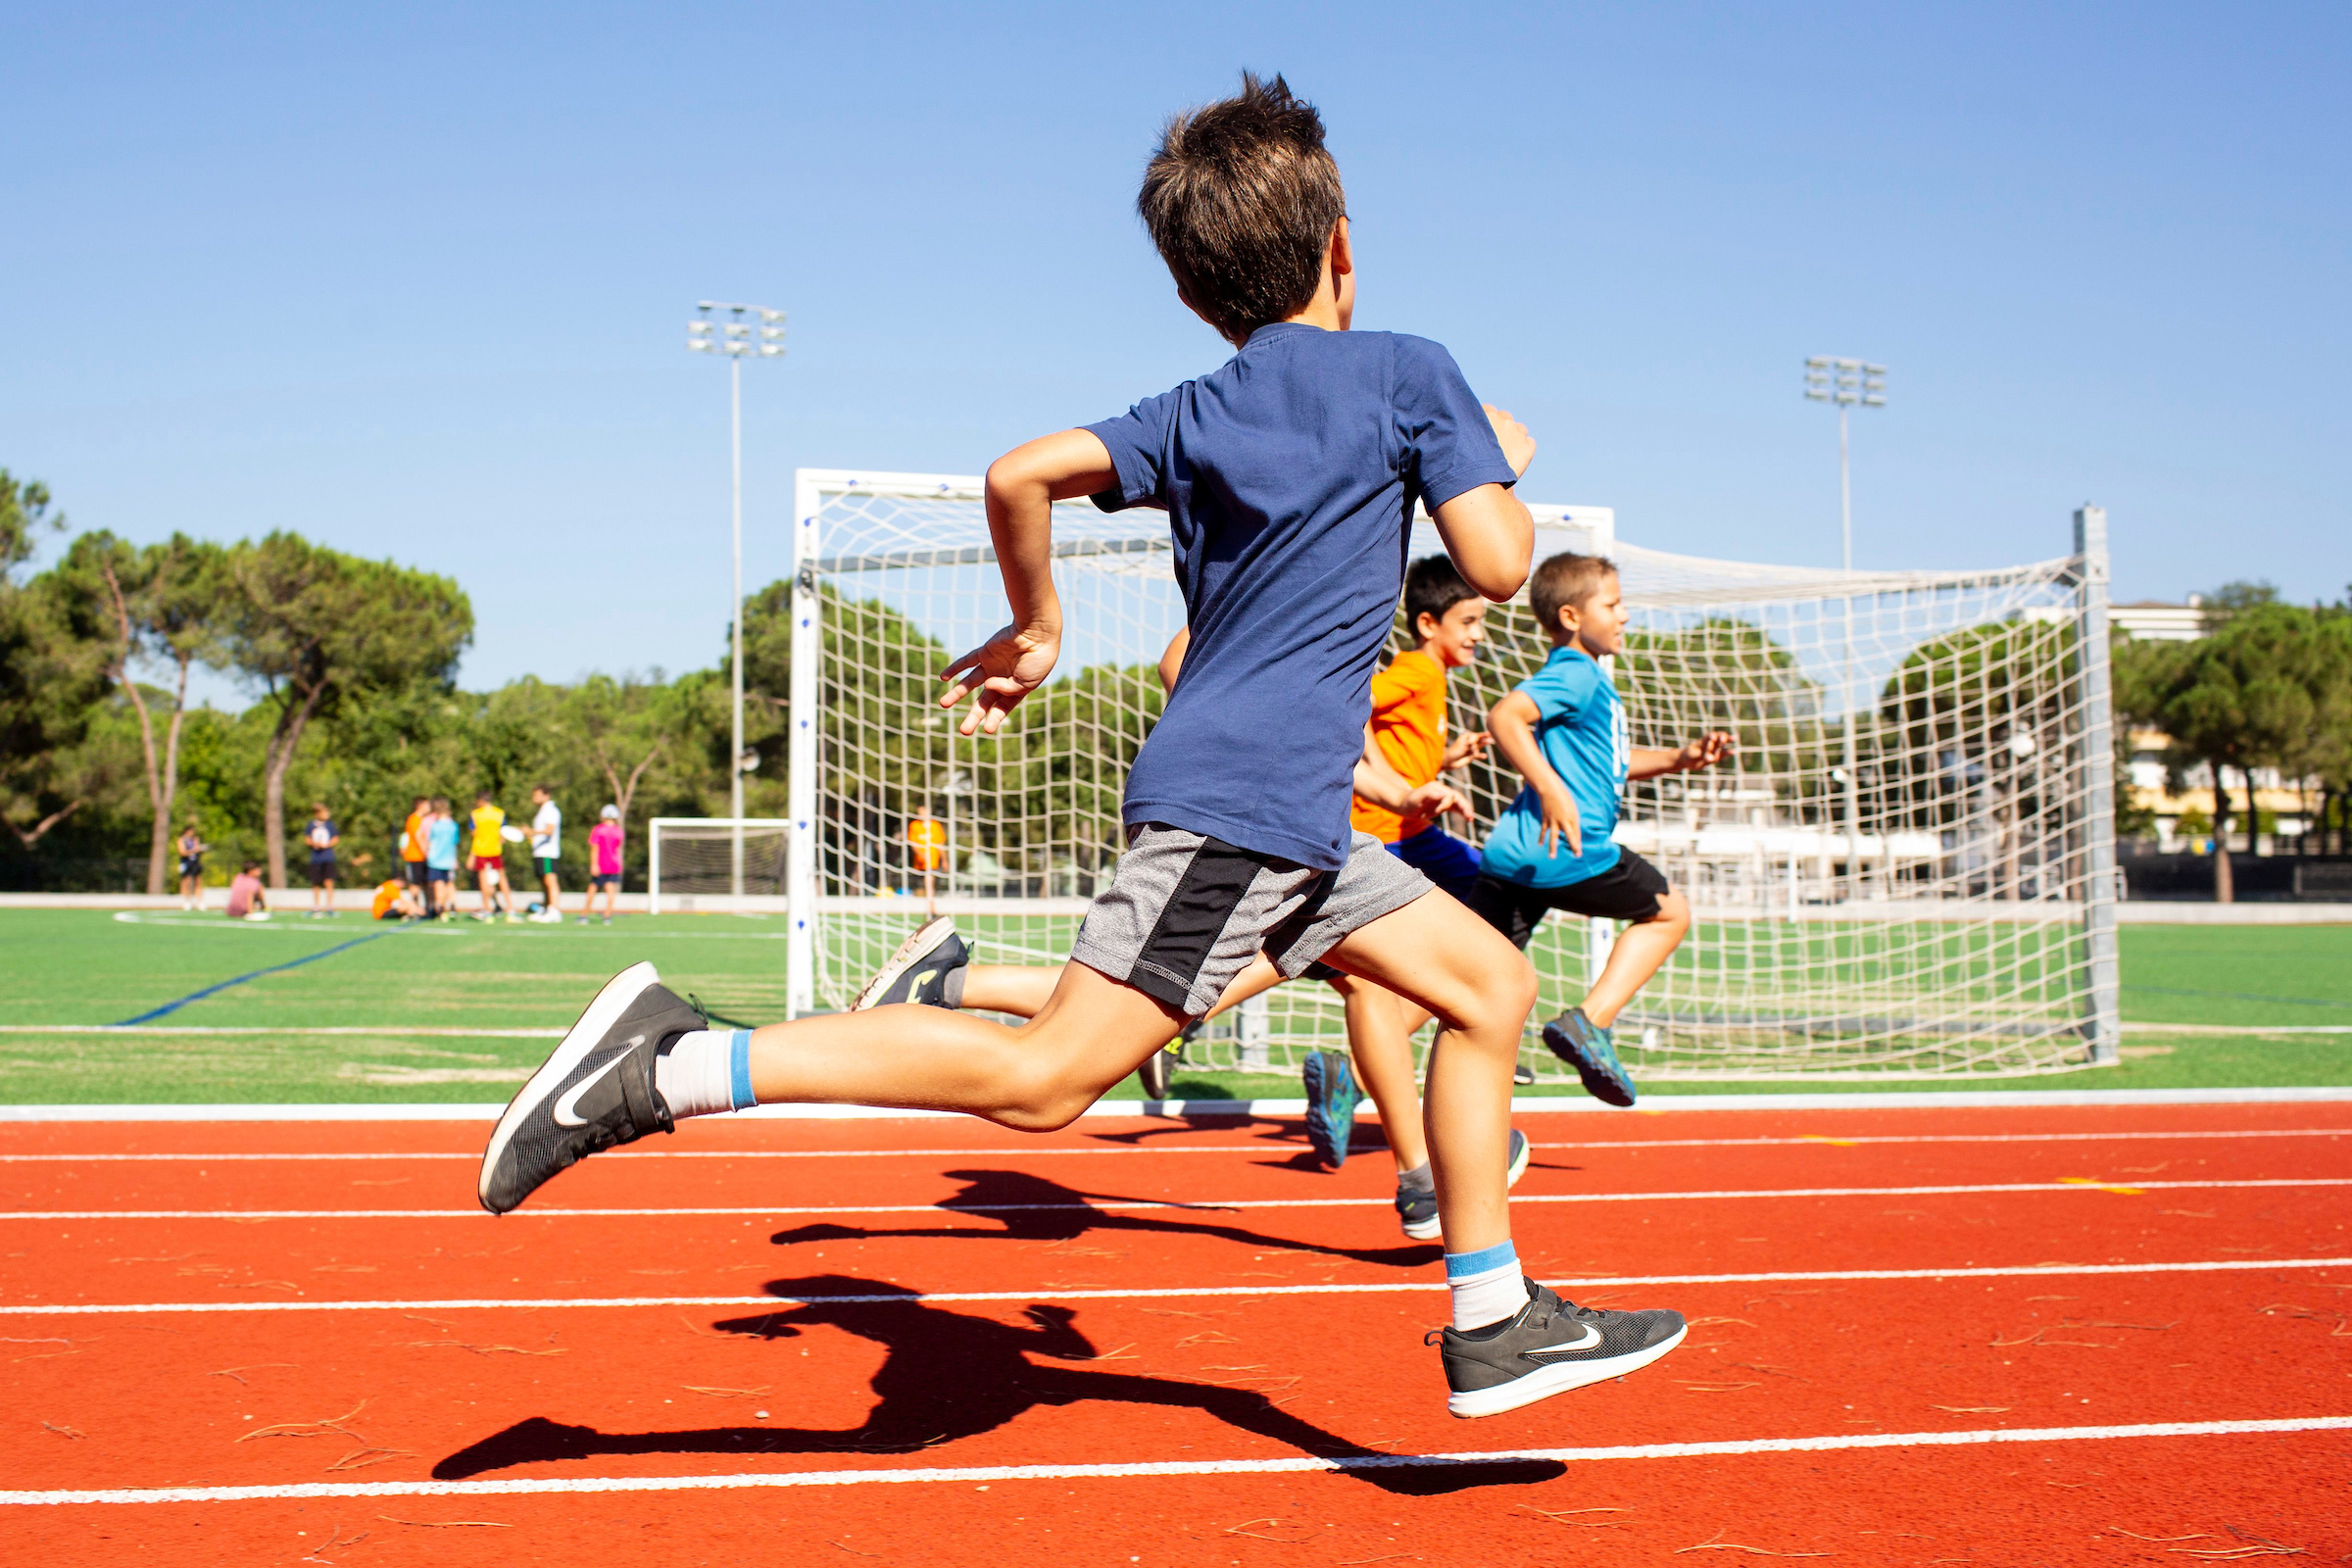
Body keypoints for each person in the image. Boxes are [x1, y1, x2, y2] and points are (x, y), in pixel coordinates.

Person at [478, 74, 1687, 1419]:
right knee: (1046, 1080)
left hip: (1290, 819)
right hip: (1248, 810)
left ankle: (1495, 1316)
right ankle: (671, 1064)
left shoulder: (1195, 409)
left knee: (1489, 988)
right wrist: (1487, 456)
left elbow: (1020, 472)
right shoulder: (1409, 371)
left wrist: (1037, 624)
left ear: (1193, 295)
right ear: (1345, 240)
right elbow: (1502, 561)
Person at [859, 618, 1532, 1243]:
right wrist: (1245, 748)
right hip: (1268, 834)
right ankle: (1414, 1168)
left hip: (1318, 839)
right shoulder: (1340, 607)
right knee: (1054, 1074)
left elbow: (1327, 719)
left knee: (1468, 985)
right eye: (1470, 620)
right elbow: (1185, 659)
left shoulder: (1345, 616)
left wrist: (1397, 788)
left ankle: (957, 980)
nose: (1479, 631)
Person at [1469, 551, 1735, 1105]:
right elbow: (1505, 716)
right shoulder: (1577, 673)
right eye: (1612, 605)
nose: (1624, 615)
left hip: (1513, 856)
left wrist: (1679, 758)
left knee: (1468, 983)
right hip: (1570, 850)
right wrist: (1549, 788)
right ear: (1571, 617)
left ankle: (1353, 1068)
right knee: (1669, 912)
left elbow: (1612, 762)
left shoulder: (1583, 680)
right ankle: (1590, 1021)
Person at [467, 792, 511, 921]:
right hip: (496, 850)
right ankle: (510, 907)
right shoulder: (500, 813)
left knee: (483, 880)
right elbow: (503, 835)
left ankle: (486, 907)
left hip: (481, 851)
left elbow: (474, 834)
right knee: (502, 879)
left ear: (481, 800)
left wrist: (471, 855)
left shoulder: (475, 814)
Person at [526, 785, 563, 923]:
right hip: (540, 852)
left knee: (550, 880)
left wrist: (532, 832)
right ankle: (547, 909)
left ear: (546, 795)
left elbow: (549, 830)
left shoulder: (551, 811)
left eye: (537, 795)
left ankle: (554, 910)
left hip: (548, 852)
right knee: (544, 882)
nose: (534, 798)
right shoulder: (541, 811)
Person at [583, 805, 623, 925]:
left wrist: (594, 864)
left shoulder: (598, 830)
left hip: (601, 863)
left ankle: (584, 915)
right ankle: (607, 916)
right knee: (610, 889)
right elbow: (617, 848)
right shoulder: (618, 831)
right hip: (614, 864)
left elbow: (594, 848)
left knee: (593, 888)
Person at [423, 796, 461, 918]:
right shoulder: (453, 826)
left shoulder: (435, 826)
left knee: (439, 884)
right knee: (449, 883)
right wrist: (455, 859)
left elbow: (430, 842)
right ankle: (453, 906)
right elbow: (454, 843)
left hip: (435, 860)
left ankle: (440, 907)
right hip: (449, 860)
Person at [906, 805, 948, 906]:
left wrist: (945, 860)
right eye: (919, 813)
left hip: (933, 861)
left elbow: (940, 844)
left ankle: (931, 908)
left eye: (923, 812)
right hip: (920, 862)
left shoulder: (935, 825)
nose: (922, 815)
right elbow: (913, 844)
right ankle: (930, 906)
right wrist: (922, 855)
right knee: (925, 885)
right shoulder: (914, 825)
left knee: (929, 882)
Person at [304, 803, 340, 916]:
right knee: (315, 882)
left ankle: (329, 906)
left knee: (329, 881)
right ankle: (316, 906)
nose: (327, 814)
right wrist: (315, 844)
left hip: (328, 858)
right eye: (324, 812)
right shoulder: (311, 825)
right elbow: (307, 839)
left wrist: (326, 844)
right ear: (317, 814)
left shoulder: (330, 825)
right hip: (316, 858)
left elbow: (335, 838)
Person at [399, 796, 430, 910]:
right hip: (414, 856)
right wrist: (426, 850)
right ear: (420, 806)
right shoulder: (414, 819)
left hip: (421, 857)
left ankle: (428, 908)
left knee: (425, 883)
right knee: (415, 884)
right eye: (427, 805)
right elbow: (417, 836)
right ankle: (414, 909)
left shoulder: (422, 819)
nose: (429, 807)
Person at [174, 820, 208, 911]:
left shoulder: (195, 839)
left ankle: (200, 902)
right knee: (187, 883)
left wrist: (200, 849)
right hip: (186, 863)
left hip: (195, 863)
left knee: (198, 882)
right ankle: (187, 901)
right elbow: (182, 852)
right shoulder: (182, 840)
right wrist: (193, 850)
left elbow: (197, 848)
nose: (192, 833)